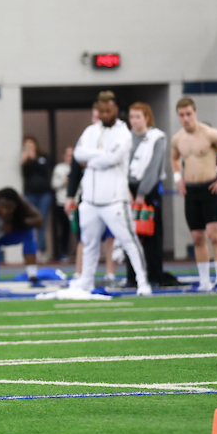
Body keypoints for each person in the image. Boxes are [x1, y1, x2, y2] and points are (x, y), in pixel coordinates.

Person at [64, 91, 152, 297]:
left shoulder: (123, 132)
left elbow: (112, 159)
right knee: (89, 243)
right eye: (101, 110)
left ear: (115, 110)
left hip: (114, 200)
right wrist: (99, 155)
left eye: (108, 110)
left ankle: (143, 282)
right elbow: (78, 155)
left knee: (129, 241)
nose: (104, 114)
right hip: (90, 200)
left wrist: (91, 159)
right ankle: (86, 281)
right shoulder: (90, 131)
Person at [169, 97, 217, 292]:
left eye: (189, 114)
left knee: (215, 236)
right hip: (191, 190)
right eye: (181, 115)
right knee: (197, 237)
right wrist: (177, 179)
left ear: (195, 113)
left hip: (210, 188)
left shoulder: (210, 134)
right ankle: (205, 281)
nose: (186, 118)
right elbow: (174, 158)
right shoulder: (178, 138)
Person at [126, 102, 167, 288]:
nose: (134, 121)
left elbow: (154, 167)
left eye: (138, 117)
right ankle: (132, 277)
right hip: (127, 190)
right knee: (129, 234)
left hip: (148, 191)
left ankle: (154, 275)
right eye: (131, 117)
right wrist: (126, 190)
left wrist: (142, 193)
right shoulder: (126, 138)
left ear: (146, 118)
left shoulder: (156, 137)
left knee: (151, 234)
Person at [21, 137, 53, 258]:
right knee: (30, 221)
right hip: (30, 193)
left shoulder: (43, 157)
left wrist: (34, 158)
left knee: (41, 221)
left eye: (31, 145)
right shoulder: (25, 160)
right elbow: (25, 174)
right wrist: (25, 160)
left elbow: (45, 170)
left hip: (44, 193)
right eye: (26, 145)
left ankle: (41, 250)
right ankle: (31, 251)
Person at [50, 147, 73, 262]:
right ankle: (63, 253)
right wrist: (64, 181)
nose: (70, 158)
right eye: (68, 155)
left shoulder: (80, 167)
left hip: (77, 203)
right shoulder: (59, 168)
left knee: (79, 230)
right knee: (64, 229)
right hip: (62, 202)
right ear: (64, 156)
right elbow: (54, 184)